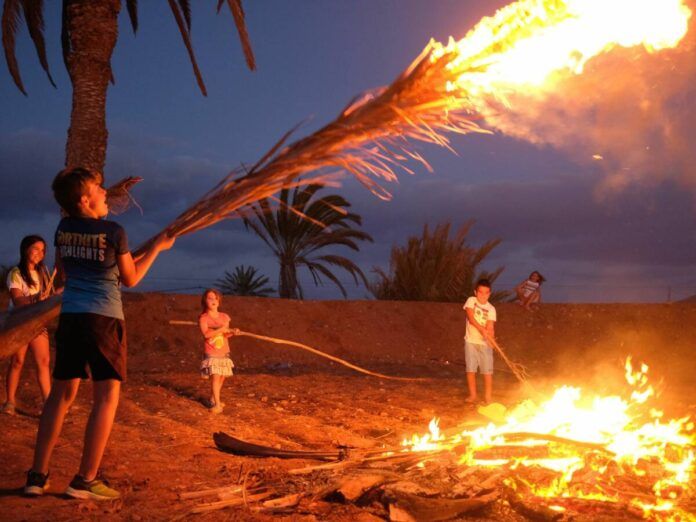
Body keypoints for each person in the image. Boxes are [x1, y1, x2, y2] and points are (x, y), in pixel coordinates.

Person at [24, 167, 175, 500]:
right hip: (105, 320)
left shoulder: (63, 229)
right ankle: (84, 480)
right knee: (106, 398)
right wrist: (157, 249)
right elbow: (131, 279)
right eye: (99, 188)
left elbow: (64, 276)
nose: (105, 192)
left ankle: (37, 476)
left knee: (60, 396)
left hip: (73, 320)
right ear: (84, 199)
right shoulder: (114, 231)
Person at [2, 236, 55, 415]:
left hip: (37, 322)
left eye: (42, 250)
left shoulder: (42, 273)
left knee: (44, 361)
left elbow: (50, 295)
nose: (40, 253)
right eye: (35, 249)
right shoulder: (15, 273)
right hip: (19, 322)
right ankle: (10, 401)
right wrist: (37, 300)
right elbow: (18, 301)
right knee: (17, 361)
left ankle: (48, 404)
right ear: (25, 250)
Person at [199, 289, 239, 414]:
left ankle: (213, 399)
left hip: (224, 351)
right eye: (210, 298)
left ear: (219, 301)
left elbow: (225, 335)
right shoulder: (203, 318)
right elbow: (206, 334)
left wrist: (233, 332)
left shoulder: (224, 317)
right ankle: (217, 404)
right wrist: (221, 329)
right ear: (205, 301)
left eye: (215, 298)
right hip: (212, 352)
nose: (213, 301)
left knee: (221, 377)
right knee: (216, 377)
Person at [463, 278, 497, 404]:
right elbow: (471, 318)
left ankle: (488, 397)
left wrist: (491, 339)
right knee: (471, 370)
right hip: (471, 342)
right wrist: (481, 329)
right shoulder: (471, 300)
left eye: (486, 293)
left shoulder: (491, 309)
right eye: (480, 292)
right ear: (475, 292)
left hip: (484, 344)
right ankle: (473, 396)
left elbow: (490, 326)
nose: (483, 295)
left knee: (487, 372)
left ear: (490, 294)